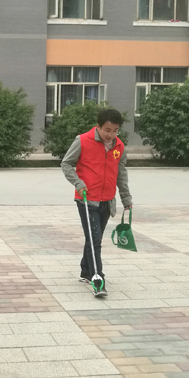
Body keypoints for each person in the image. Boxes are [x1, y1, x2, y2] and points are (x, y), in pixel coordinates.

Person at [61, 108, 133, 297]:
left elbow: (121, 173)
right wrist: (78, 183)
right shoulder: (82, 141)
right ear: (98, 127)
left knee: (95, 239)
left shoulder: (119, 146)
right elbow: (66, 163)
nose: (111, 134)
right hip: (86, 199)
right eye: (107, 130)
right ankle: (97, 279)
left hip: (107, 200)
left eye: (115, 130)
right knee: (95, 240)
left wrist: (126, 198)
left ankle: (86, 270)